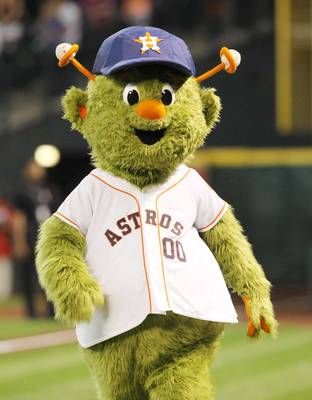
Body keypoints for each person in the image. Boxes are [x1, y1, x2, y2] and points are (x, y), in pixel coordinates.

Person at [12, 160, 57, 318]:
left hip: (46, 236)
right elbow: (18, 219)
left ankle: (51, 311)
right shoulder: (22, 192)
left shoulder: (48, 189)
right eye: (35, 168)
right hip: (30, 236)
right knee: (28, 276)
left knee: (49, 274)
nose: (39, 171)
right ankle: (31, 312)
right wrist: (19, 242)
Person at [0, 197, 14, 299]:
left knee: (4, 272)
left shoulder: (6, 207)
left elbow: (10, 226)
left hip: (4, 247)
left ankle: (4, 296)